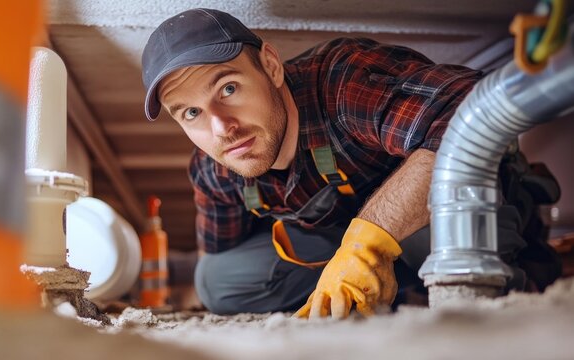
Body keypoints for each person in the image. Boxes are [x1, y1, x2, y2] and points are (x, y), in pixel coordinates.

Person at [140, 8, 547, 319]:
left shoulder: (344, 81)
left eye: (228, 88)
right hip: (334, 240)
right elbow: (222, 255)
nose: (221, 127)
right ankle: (377, 289)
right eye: (191, 113)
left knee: (448, 215)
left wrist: (368, 243)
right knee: (217, 279)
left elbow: (473, 111)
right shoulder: (214, 167)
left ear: (270, 65)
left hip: (429, 224)